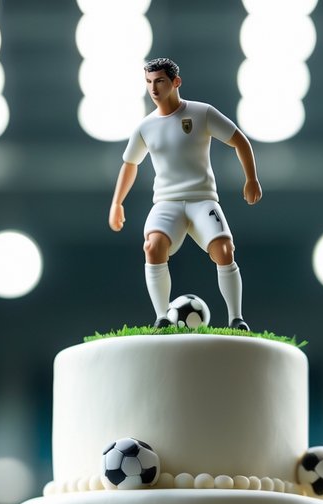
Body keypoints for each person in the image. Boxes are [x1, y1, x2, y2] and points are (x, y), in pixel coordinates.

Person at [109, 57, 262, 331]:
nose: (154, 89)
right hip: (167, 202)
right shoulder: (145, 127)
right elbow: (130, 164)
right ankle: (162, 316)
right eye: (149, 83)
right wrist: (117, 202)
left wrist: (251, 178)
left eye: (160, 82)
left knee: (224, 250)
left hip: (203, 199)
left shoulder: (201, 113)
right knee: (152, 246)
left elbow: (239, 140)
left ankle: (236, 318)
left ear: (175, 82)